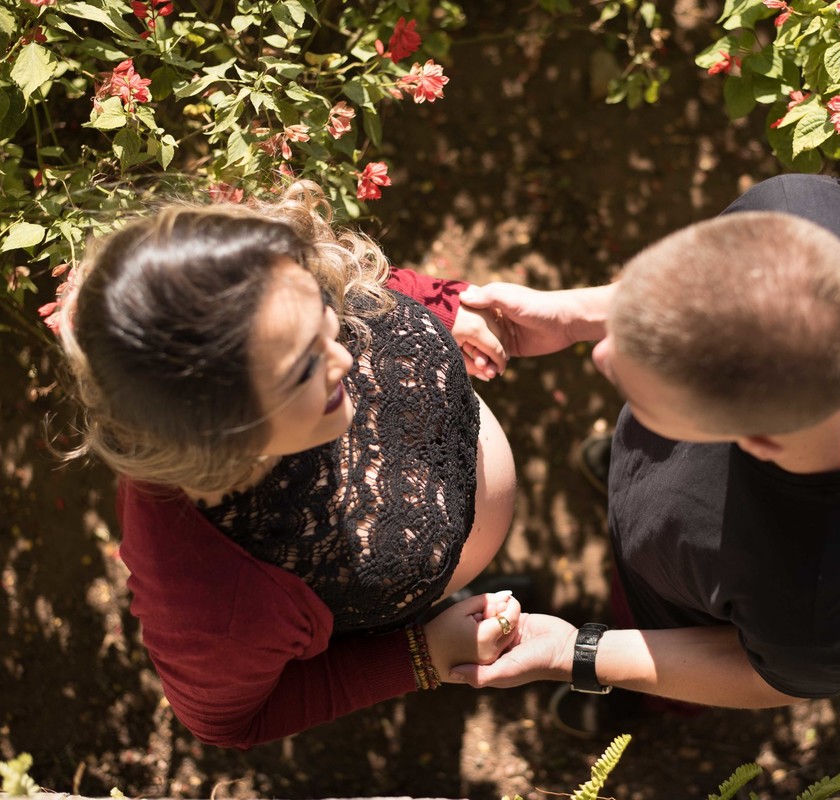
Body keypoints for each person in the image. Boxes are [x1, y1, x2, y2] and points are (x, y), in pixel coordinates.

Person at [448, 174, 840, 709]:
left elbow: (763, 676)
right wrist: (577, 317)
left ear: (754, 441)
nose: (602, 354)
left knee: (645, 636)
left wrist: (578, 653)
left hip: (674, 609)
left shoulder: (834, 605)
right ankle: (627, 473)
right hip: (675, 525)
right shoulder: (807, 208)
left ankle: (634, 708)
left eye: (642, 397)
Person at [58, 181, 521, 749]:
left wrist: (437, 303)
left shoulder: (265, 303)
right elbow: (227, 724)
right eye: (305, 368)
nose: (348, 356)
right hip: (441, 605)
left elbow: (346, 286)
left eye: (325, 314)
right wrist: (421, 654)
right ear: (222, 428)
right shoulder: (214, 601)